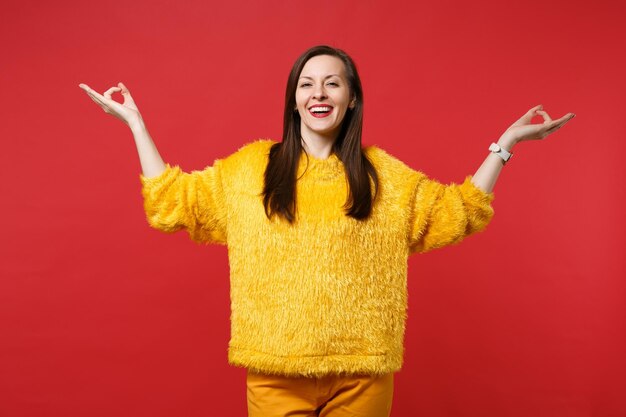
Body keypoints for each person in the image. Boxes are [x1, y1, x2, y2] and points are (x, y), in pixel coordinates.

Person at [79, 44, 574, 417]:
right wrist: (136, 127)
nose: (319, 94)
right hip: (274, 374)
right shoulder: (250, 169)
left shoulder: (384, 175)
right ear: (294, 100)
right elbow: (172, 202)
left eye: (332, 83)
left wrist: (505, 145)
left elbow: (458, 210)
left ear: (352, 98)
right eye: (306, 84)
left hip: (363, 377)